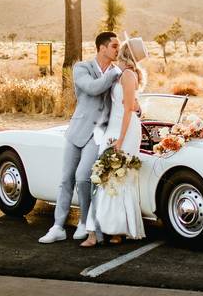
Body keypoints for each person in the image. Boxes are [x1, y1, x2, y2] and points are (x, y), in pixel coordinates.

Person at [38, 31, 121, 244]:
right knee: (66, 179)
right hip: (76, 131)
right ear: (102, 48)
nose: (117, 50)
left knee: (84, 177)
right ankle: (57, 227)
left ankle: (85, 222)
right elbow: (93, 89)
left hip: (98, 134)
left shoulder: (118, 73)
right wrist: (114, 74)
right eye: (114, 46)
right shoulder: (82, 68)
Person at [81, 33, 149, 247]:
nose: (116, 51)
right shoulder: (119, 74)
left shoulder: (128, 76)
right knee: (102, 176)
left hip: (125, 131)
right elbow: (133, 105)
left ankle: (116, 230)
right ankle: (100, 230)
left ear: (125, 53)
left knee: (119, 177)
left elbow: (128, 110)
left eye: (120, 49)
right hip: (114, 127)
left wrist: (120, 141)